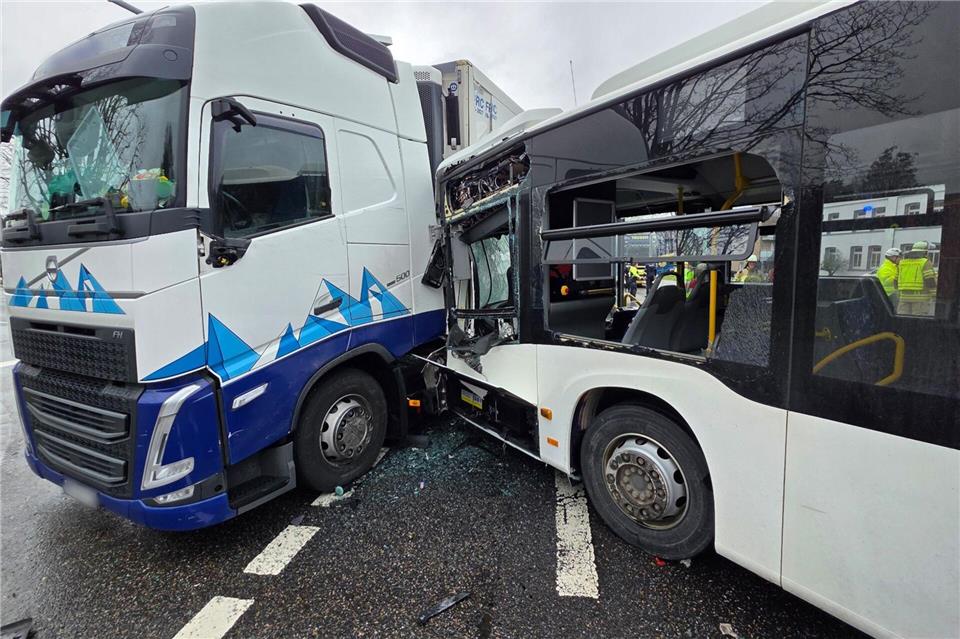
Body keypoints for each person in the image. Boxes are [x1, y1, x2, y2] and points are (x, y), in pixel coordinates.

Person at [897, 241, 937, 316]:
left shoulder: (902, 263)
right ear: (925, 252)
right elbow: (930, 280)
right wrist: (935, 295)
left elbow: (895, 280)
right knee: (917, 320)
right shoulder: (925, 262)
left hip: (904, 298)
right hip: (920, 299)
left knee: (903, 319)